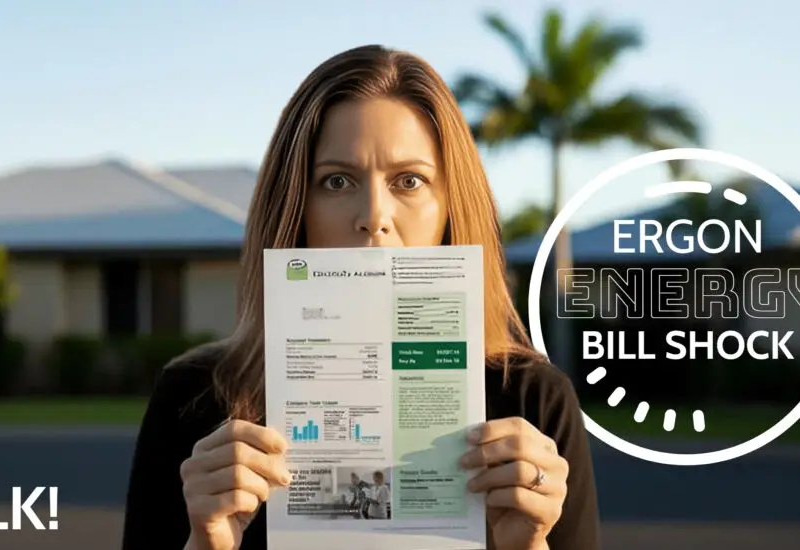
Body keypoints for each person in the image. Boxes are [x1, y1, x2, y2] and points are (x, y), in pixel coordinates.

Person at [122, 44, 601, 550]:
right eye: (336, 180)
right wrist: (206, 542)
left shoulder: (534, 401)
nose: (373, 215)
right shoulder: (191, 397)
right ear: (295, 206)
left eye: (409, 181)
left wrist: (528, 545)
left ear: (449, 207)